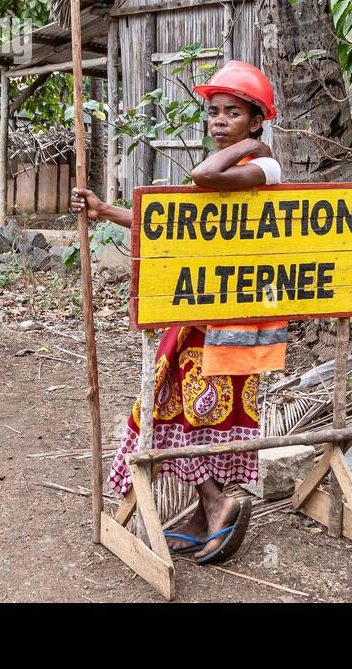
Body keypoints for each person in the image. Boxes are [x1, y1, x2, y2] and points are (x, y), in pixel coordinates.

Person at [71, 60, 283, 565]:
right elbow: (171, 222)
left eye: (233, 113)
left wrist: (253, 145)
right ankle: (207, 506)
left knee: (206, 411)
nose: (218, 121)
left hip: (232, 319)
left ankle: (220, 501)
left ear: (256, 121)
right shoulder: (226, 175)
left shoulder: (262, 167)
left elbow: (200, 174)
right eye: (213, 112)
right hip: (193, 311)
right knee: (173, 410)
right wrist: (106, 211)